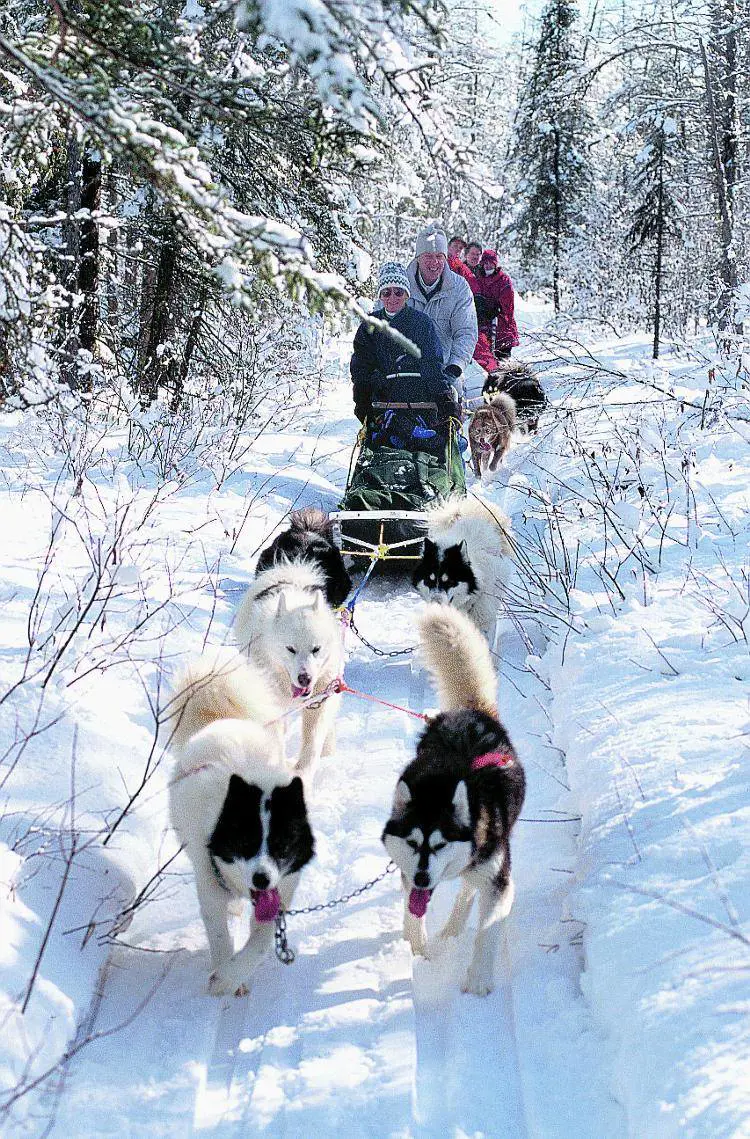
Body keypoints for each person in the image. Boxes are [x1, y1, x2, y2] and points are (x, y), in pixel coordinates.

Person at [350, 261, 460, 452]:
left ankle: (419, 436)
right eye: (387, 292)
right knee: (387, 432)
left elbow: (432, 363)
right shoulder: (369, 326)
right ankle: (396, 433)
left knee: (432, 438)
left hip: (420, 397)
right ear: (380, 296)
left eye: (398, 292)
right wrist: (363, 403)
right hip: (384, 398)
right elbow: (360, 369)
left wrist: (444, 398)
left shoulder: (421, 323)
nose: (392, 298)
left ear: (407, 295)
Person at [406, 224, 478, 402]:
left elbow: (466, 332)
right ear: (418, 258)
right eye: (428, 256)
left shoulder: (459, 288)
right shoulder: (400, 287)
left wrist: (455, 366)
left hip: (444, 369)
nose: (434, 262)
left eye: (439, 256)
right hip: (404, 369)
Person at [474, 248, 519, 365]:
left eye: (490, 263)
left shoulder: (503, 280)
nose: (488, 266)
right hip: (484, 325)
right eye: (485, 263)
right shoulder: (478, 278)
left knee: (503, 361)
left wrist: (496, 308)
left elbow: (508, 305)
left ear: (495, 264)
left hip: (502, 326)